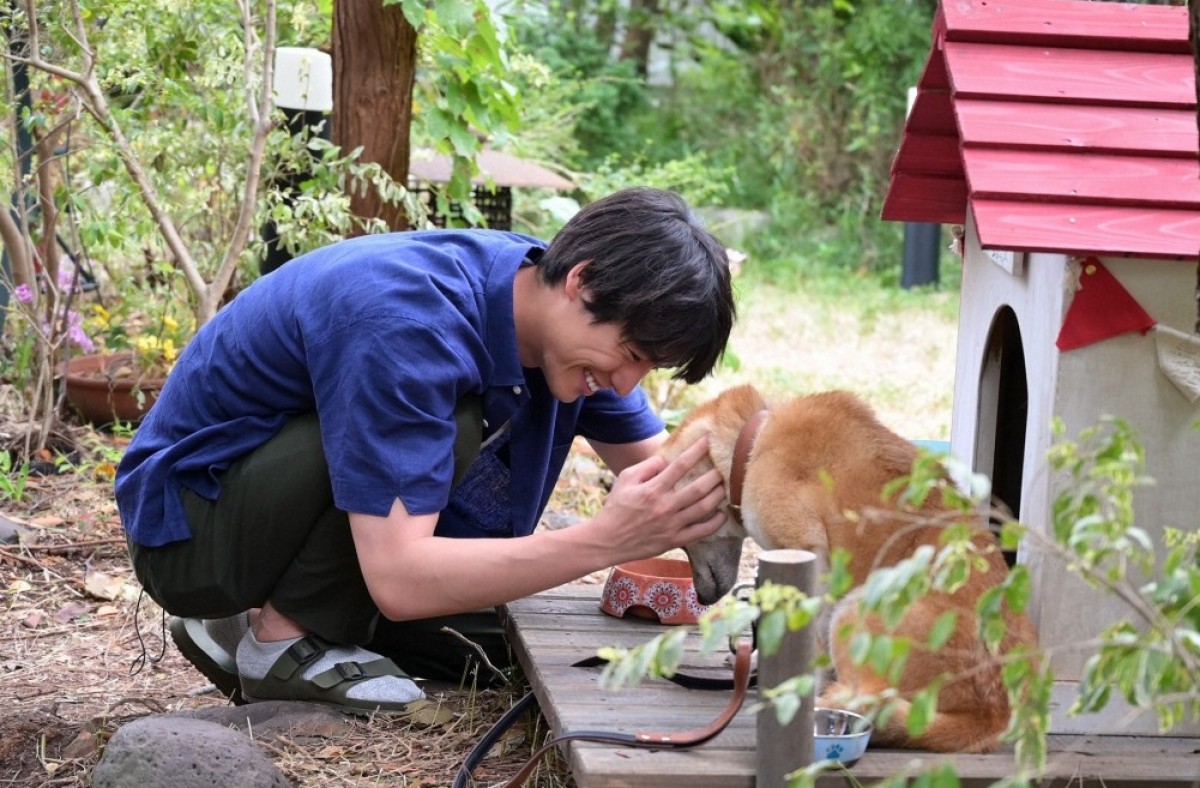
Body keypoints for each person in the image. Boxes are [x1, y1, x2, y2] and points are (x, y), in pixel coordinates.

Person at [115, 186, 737, 714]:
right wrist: (606, 539)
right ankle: (282, 637)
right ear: (583, 280)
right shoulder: (410, 323)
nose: (628, 383)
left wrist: (756, 561)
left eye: (648, 367)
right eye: (630, 356)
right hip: (195, 528)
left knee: (505, 652)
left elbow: (670, 474)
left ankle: (255, 621)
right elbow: (402, 581)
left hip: (307, 522)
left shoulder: (549, 315)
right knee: (458, 423)